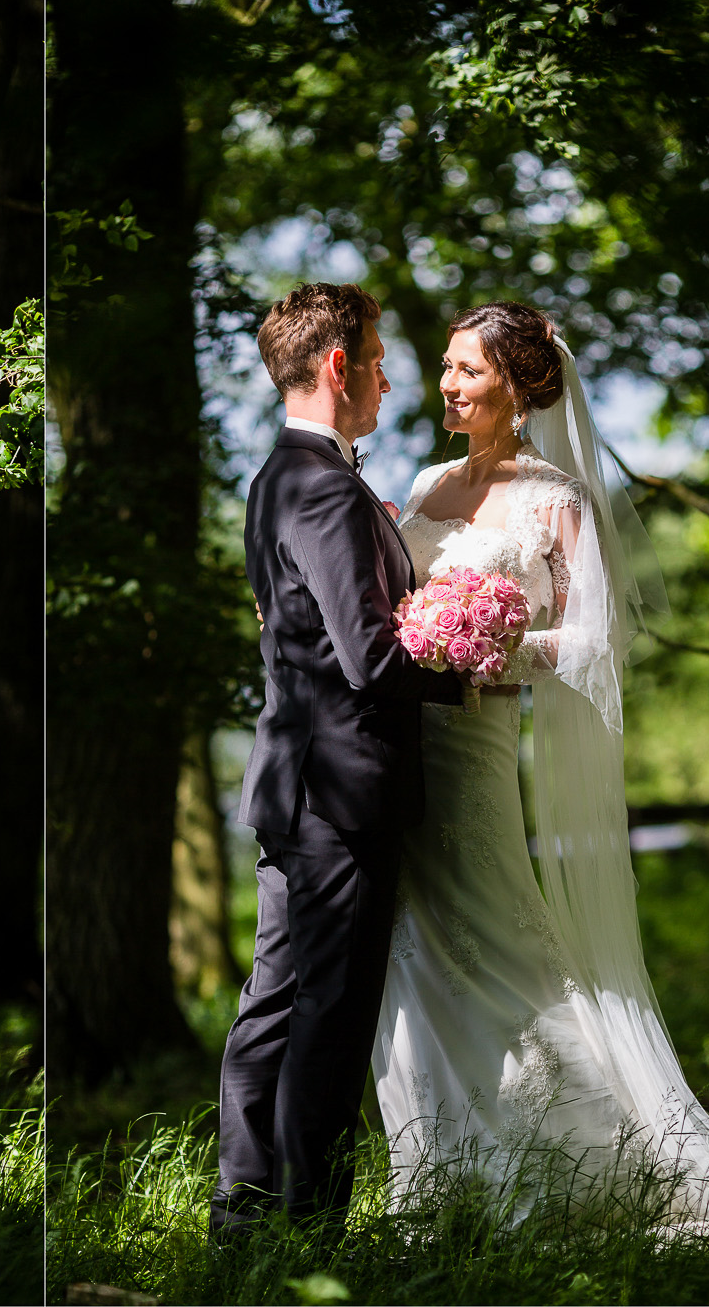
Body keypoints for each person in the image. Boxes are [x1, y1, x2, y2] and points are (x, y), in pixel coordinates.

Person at [375, 300, 709, 1227]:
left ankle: (589, 1158)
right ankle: (445, 1173)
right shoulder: (429, 482)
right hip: (404, 748)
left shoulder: (557, 499)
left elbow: (599, 642)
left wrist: (487, 649)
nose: (447, 384)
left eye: (467, 371)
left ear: (520, 388)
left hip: (478, 746)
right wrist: (420, 636)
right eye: (445, 368)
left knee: (496, 934)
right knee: (414, 949)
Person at [212, 283, 462, 1236]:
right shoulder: (322, 485)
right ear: (336, 366)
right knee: (330, 1012)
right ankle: (305, 1225)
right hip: (342, 794)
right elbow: (370, 657)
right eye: (380, 356)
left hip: (294, 784)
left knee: (275, 1000)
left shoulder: (279, 474)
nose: (393, 377)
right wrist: (469, 670)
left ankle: (243, 1215)